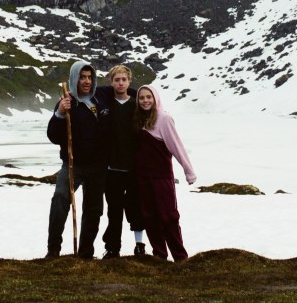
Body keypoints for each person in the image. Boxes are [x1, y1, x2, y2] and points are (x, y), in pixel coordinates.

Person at [46, 60, 110, 259]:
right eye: (82, 77)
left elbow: (124, 89)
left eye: (90, 77)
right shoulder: (67, 102)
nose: (87, 81)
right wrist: (60, 113)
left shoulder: (100, 98)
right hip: (74, 165)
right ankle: (53, 249)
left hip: (98, 166)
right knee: (60, 199)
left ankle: (85, 252)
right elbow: (53, 136)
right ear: (74, 78)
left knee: (94, 209)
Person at [134, 84, 196, 261]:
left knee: (168, 217)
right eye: (141, 98)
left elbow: (177, 147)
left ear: (155, 99)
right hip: (142, 178)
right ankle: (159, 255)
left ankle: (180, 256)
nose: (145, 101)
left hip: (161, 178)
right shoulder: (139, 119)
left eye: (149, 97)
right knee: (149, 216)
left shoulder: (164, 119)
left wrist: (188, 172)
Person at [96, 65, 145, 259]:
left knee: (136, 208)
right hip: (112, 168)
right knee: (114, 211)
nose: (121, 83)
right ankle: (112, 248)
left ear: (129, 81)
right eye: (117, 80)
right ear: (111, 82)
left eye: (124, 79)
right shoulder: (105, 103)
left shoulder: (137, 105)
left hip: (133, 168)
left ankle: (139, 244)